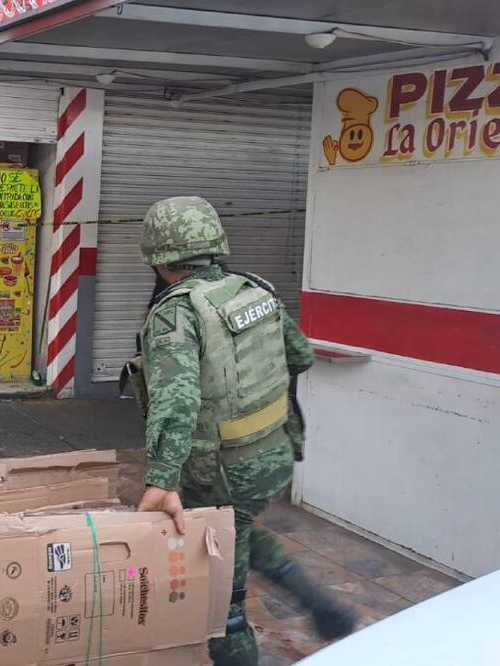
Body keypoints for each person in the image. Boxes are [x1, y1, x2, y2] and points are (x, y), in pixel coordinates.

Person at [133, 196, 356, 665]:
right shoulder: (255, 289)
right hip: (274, 452)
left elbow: (177, 401)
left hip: (222, 473)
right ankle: (319, 603)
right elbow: (300, 357)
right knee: (238, 531)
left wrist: (161, 479)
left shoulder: (177, 312)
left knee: (221, 600)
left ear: (158, 255)